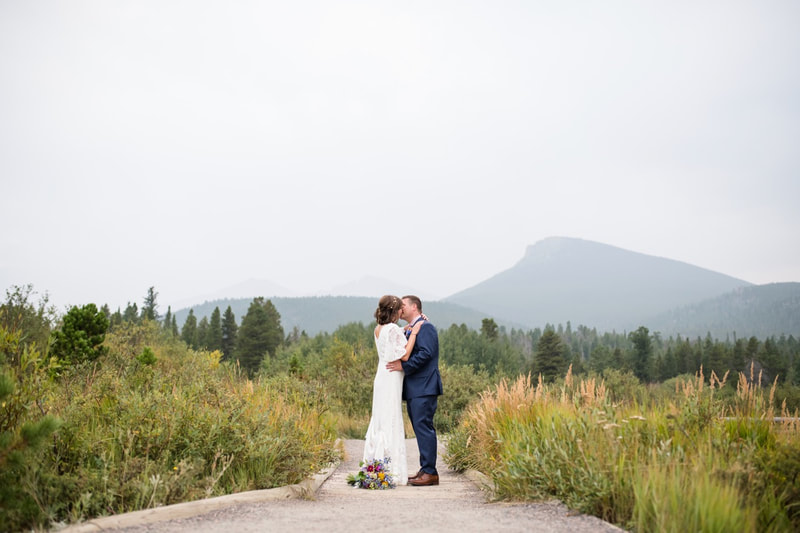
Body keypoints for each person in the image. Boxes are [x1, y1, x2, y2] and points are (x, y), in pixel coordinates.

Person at [362, 295, 422, 486]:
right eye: (399, 309)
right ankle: (390, 469)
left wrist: (405, 329)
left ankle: (376, 467)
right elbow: (404, 355)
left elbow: (391, 339)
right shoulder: (393, 329)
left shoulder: (378, 329)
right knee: (391, 418)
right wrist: (413, 333)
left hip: (381, 376)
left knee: (380, 419)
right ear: (395, 312)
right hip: (391, 377)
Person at [386, 295, 443, 486]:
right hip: (415, 388)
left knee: (424, 427)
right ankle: (424, 469)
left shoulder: (426, 327)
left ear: (414, 307)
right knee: (420, 428)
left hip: (424, 386)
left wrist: (404, 367)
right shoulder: (412, 328)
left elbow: (426, 354)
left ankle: (430, 473)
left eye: (403, 306)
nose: (400, 309)